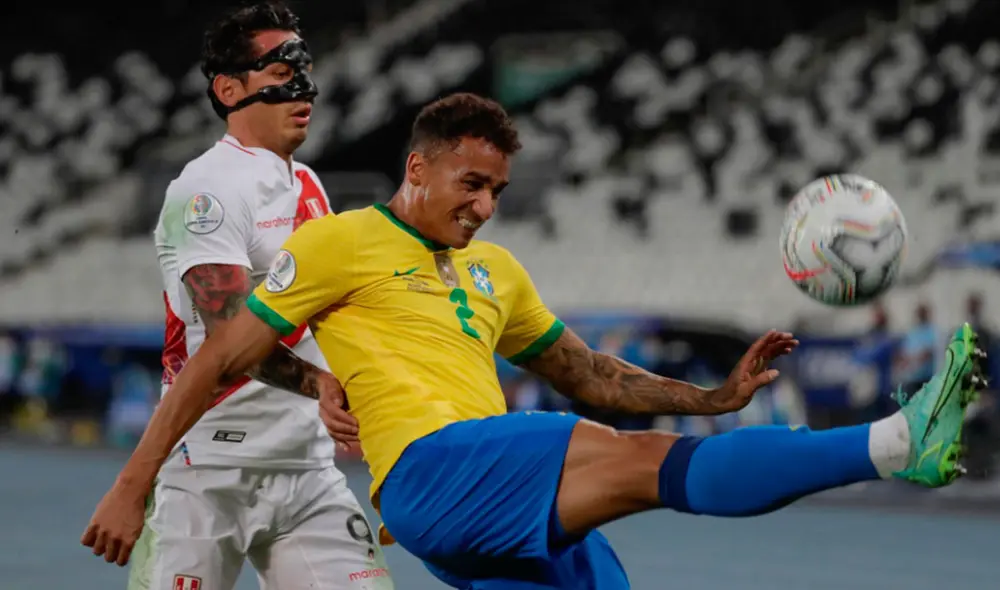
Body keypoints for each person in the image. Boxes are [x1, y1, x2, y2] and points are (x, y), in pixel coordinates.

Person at [84, 92, 987, 589]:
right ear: (417, 169)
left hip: (487, 508)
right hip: (434, 471)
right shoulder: (337, 242)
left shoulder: (499, 273)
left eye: (499, 190)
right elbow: (216, 358)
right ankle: (895, 443)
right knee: (646, 466)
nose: (484, 206)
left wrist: (712, 399)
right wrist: (134, 489)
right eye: (470, 184)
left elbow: (589, 374)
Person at [93, 3, 393, 589]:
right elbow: (234, 338)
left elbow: (332, 316)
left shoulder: (306, 183)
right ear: (229, 90)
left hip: (307, 469)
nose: (305, 88)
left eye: (305, 71)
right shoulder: (205, 191)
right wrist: (322, 385)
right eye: (282, 76)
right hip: (205, 472)